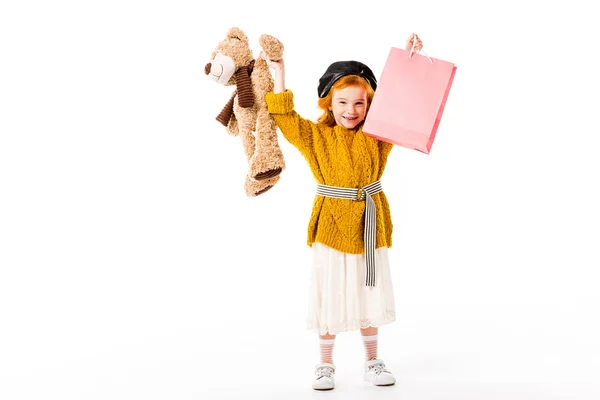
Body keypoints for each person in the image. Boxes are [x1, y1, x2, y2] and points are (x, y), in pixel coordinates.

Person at [262, 34, 423, 391]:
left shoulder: (378, 134)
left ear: (371, 106)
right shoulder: (315, 137)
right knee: (329, 289)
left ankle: (372, 360)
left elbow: (402, 105)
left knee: (369, 288)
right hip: (331, 225)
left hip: (369, 220)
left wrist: (410, 62)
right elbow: (285, 116)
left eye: (360, 103)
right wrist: (280, 73)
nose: (351, 110)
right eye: (342, 102)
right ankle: (325, 364)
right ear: (328, 103)